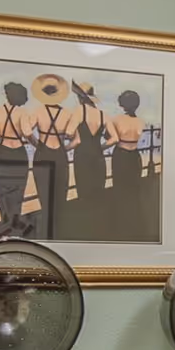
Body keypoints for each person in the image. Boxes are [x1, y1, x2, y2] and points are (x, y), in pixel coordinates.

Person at [106, 89, 157, 241]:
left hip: (120, 155)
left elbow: (109, 136)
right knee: (134, 191)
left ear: (122, 104)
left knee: (120, 190)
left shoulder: (116, 120)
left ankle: (119, 226)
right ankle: (133, 225)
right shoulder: (140, 121)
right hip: (135, 156)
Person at [65, 80, 110, 239]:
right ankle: (99, 229)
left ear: (80, 97)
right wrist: (100, 147)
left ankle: (85, 230)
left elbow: (69, 133)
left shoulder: (79, 110)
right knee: (97, 193)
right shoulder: (102, 114)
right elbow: (114, 138)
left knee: (83, 192)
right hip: (98, 156)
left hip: (82, 155)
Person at [0, 82, 36, 237]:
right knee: (17, 190)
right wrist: (39, 146)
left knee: (2, 191)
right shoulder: (22, 113)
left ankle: (5, 224)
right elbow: (28, 134)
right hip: (18, 153)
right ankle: (15, 223)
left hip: (2, 151)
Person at [29, 74, 69, 240]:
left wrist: (38, 144)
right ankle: (59, 231)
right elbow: (76, 138)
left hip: (43, 153)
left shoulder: (38, 112)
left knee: (44, 197)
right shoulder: (67, 113)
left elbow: (26, 131)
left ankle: (45, 233)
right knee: (60, 196)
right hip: (60, 154)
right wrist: (64, 147)